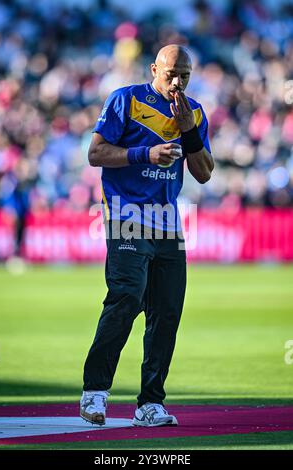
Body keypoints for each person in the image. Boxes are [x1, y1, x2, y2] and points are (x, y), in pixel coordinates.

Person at [80, 44, 214, 427]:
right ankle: (94, 392)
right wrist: (146, 155)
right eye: (171, 73)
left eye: (184, 75)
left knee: (166, 312)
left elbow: (204, 172)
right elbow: (96, 153)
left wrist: (188, 130)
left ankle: (149, 404)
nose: (177, 82)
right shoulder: (125, 100)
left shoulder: (195, 113)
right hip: (126, 216)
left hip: (168, 223)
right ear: (153, 68)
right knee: (125, 299)